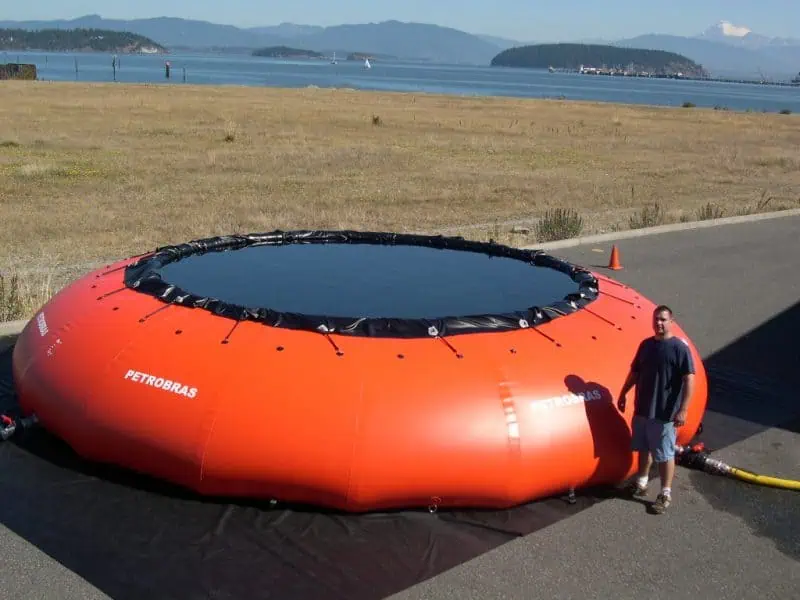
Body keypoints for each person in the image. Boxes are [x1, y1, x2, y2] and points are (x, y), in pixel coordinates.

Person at [617, 305, 695, 514]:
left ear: (671, 321)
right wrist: (624, 392)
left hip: (665, 413)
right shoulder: (646, 346)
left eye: (663, 319)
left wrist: (683, 409)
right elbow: (635, 372)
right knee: (644, 447)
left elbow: (689, 379)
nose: (658, 323)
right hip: (643, 408)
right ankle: (642, 482)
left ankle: (665, 493)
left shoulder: (679, 348)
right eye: (656, 320)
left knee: (665, 453)